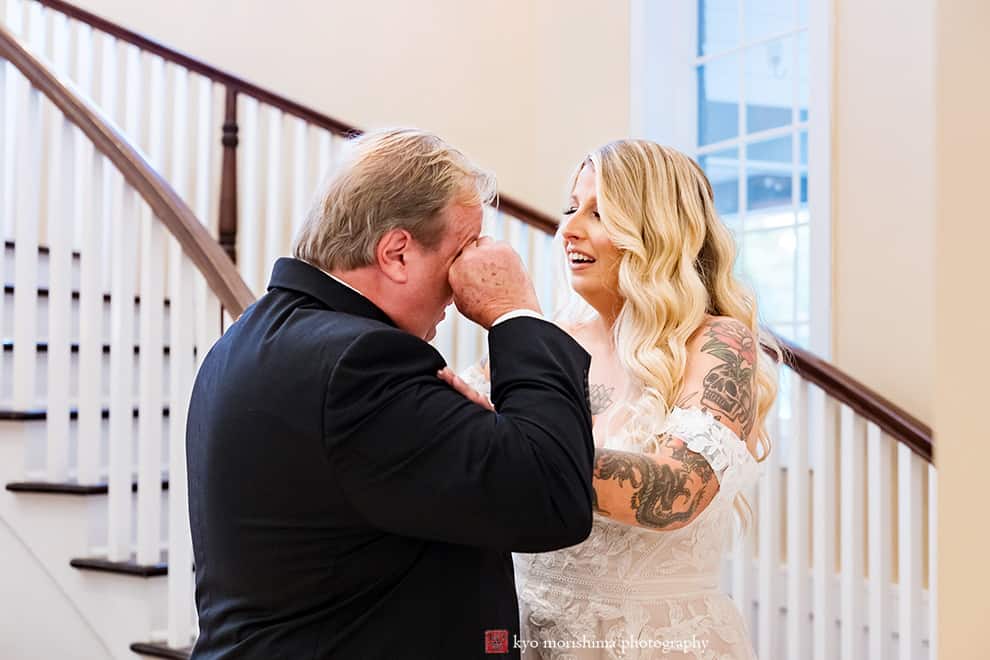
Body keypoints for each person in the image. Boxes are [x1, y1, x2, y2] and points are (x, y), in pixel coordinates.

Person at [185, 128, 596, 659]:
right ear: (397, 253)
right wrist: (513, 312)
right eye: (465, 247)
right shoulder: (361, 365)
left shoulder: (246, 341)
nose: (464, 278)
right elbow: (551, 496)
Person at [444, 139, 778, 658]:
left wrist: (523, 447)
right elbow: (453, 427)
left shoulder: (716, 343)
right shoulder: (548, 344)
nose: (569, 229)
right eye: (571, 208)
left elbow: (675, 493)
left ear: (658, 230)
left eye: (600, 213)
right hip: (528, 636)